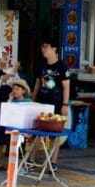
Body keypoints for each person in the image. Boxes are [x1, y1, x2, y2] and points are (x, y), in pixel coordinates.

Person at [34, 39, 70, 167]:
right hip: (41, 103)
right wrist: (33, 100)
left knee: (54, 135)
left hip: (56, 104)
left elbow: (66, 87)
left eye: (46, 46)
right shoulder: (41, 64)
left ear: (54, 49)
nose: (43, 49)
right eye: (42, 46)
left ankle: (52, 162)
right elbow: (38, 83)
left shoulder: (62, 66)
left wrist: (65, 105)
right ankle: (30, 160)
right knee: (37, 132)